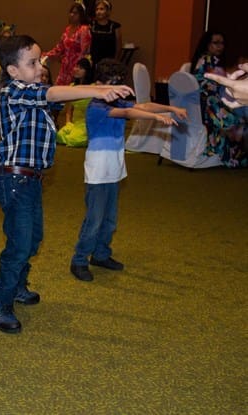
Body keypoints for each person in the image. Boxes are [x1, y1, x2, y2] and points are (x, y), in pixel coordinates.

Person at [0, 35, 134, 334]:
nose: (40, 66)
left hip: (29, 180)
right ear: (13, 70)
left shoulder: (31, 91)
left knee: (33, 238)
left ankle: (17, 287)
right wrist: (99, 89)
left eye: (40, 60)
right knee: (19, 245)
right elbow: (54, 94)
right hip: (14, 179)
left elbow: (49, 96)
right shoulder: (13, 92)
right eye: (31, 63)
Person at [70, 59, 187, 282]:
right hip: (97, 172)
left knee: (110, 218)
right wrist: (155, 118)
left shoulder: (119, 103)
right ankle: (79, 260)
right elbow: (128, 115)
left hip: (114, 170)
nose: (117, 89)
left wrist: (171, 109)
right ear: (99, 84)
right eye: (111, 84)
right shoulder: (97, 107)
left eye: (118, 83)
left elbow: (142, 106)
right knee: (93, 219)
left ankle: (101, 254)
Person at [190, 31, 247, 168]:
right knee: (237, 119)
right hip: (207, 103)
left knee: (240, 114)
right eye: (216, 43)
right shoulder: (207, 60)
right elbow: (207, 85)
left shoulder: (215, 61)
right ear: (207, 44)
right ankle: (231, 158)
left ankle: (229, 156)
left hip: (212, 101)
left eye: (222, 43)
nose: (220, 46)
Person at [43, 2, 91, 85]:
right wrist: (46, 54)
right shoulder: (68, 29)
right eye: (71, 12)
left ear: (81, 15)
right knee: (59, 89)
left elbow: (84, 52)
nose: (72, 15)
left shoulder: (84, 30)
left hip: (76, 67)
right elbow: (59, 48)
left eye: (75, 13)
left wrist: (77, 68)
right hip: (65, 66)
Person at [56, 57, 94, 147]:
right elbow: (69, 110)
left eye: (80, 68)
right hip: (75, 124)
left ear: (87, 71)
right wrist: (68, 123)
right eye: (76, 66)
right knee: (59, 136)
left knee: (74, 140)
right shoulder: (72, 86)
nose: (76, 69)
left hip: (87, 123)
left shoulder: (93, 87)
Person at [89, 0, 122, 66]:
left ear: (108, 11)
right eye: (97, 9)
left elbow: (118, 46)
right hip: (94, 61)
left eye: (101, 9)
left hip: (109, 62)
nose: (98, 12)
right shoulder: (91, 25)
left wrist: (115, 61)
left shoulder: (115, 26)